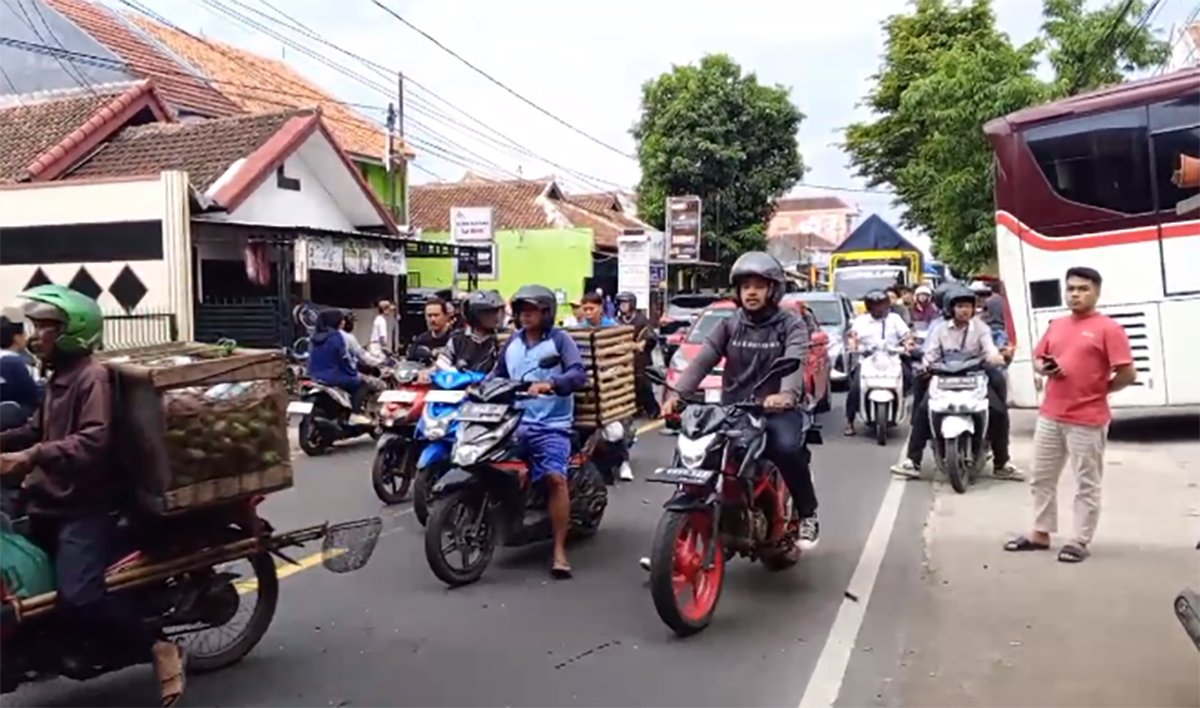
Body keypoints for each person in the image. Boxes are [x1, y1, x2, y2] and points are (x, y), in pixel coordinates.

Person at [0, 284, 186, 707]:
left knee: (80, 597)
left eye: (47, 326)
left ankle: (156, 647)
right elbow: (36, 427)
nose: (36, 334)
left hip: (86, 505)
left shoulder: (92, 378)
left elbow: (92, 441)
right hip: (49, 501)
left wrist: (30, 456)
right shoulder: (59, 378)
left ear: (74, 330)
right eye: (36, 325)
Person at [660, 251, 822, 549]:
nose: (751, 292)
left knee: (786, 450)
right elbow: (702, 361)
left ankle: (808, 513)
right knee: (697, 450)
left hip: (777, 409)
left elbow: (794, 360)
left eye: (758, 286)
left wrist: (786, 395)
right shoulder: (730, 324)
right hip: (733, 408)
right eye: (745, 286)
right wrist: (676, 395)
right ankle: (676, 537)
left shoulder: (791, 325)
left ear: (773, 290)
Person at [1004, 267, 1135, 564]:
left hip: (1088, 419)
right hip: (1051, 414)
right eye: (1071, 288)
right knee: (1041, 476)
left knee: (1086, 482)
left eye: (1083, 289)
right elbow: (1039, 358)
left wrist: (1100, 390)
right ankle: (1041, 533)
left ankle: (1080, 539)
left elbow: (1127, 373)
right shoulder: (1057, 324)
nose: (1075, 294)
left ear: (1097, 292)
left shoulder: (1108, 329)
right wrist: (1044, 367)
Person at [489, 285, 587, 578]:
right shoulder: (512, 343)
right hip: (514, 422)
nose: (524, 315)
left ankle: (559, 550)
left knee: (556, 479)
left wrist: (552, 384)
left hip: (552, 425)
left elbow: (578, 373)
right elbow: (497, 375)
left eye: (531, 310)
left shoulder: (560, 340)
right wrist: (476, 387)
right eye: (521, 310)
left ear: (546, 312)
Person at [890, 285, 1019, 480]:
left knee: (999, 412)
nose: (965, 310)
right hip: (943, 377)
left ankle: (1002, 462)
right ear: (951, 309)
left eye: (968, 306)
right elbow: (931, 352)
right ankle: (912, 461)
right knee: (923, 412)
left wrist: (998, 357)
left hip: (975, 376)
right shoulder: (940, 329)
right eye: (959, 306)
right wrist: (926, 365)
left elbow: (989, 350)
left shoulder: (981, 328)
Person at [844, 290, 914, 436]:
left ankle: (901, 401)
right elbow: (853, 337)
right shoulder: (861, 321)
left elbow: (906, 335)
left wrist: (908, 344)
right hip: (867, 361)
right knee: (855, 388)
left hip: (893, 359)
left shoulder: (895, 319)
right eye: (876, 306)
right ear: (869, 307)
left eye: (883, 305)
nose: (881, 309)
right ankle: (850, 422)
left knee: (908, 377)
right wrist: (853, 346)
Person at [307, 309, 372, 426]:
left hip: (314, 376)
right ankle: (355, 414)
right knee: (363, 384)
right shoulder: (336, 337)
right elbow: (344, 359)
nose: (343, 322)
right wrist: (353, 373)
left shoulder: (314, 337)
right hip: (334, 376)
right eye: (341, 320)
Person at [434, 290, 504, 374]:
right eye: (488, 313)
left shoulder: (502, 340)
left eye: (496, 312)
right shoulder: (457, 339)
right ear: (473, 314)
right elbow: (442, 365)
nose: (495, 317)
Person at [615, 291, 660, 420]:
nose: (623, 306)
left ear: (632, 304)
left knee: (644, 384)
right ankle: (635, 408)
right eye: (621, 303)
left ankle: (653, 409)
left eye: (626, 303)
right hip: (624, 358)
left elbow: (651, 336)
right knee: (627, 385)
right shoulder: (617, 321)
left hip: (641, 359)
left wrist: (643, 343)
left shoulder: (641, 319)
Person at [1, 316, 40, 429]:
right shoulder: (17, 364)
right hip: (15, 424)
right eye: (24, 334)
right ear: (17, 338)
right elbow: (33, 396)